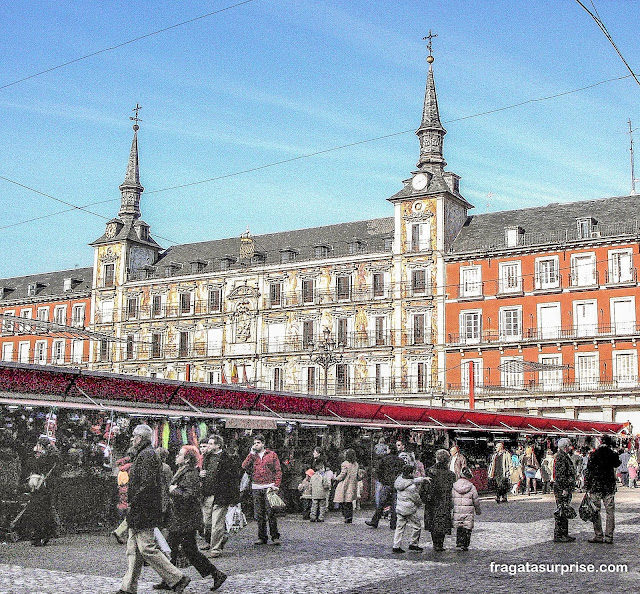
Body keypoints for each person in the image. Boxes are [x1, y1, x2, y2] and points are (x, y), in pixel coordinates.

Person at [115, 424, 190, 594]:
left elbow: (147, 486)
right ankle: (128, 588)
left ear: (140, 438)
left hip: (143, 510)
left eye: (134, 436)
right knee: (133, 550)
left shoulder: (146, 455)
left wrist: (133, 503)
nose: (132, 439)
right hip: (142, 509)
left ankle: (177, 578)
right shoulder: (145, 454)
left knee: (146, 548)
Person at [153, 445, 226, 592]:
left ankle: (215, 574)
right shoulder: (183, 471)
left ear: (187, 459)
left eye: (180, 454)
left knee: (184, 550)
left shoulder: (190, 473)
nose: (176, 456)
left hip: (186, 520)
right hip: (181, 518)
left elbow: (190, 495)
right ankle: (170, 579)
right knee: (178, 549)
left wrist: (174, 491)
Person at [200, 435, 241, 557]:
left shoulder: (227, 458)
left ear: (218, 445)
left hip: (221, 495)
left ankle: (216, 548)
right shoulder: (207, 457)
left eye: (211, 444)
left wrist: (234, 498)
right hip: (207, 494)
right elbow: (204, 472)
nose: (209, 446)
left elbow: (233, 479)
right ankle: (214, 540)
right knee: (206, 522)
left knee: (217, 523)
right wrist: (201, 474)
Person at [242, 434, 282, 545]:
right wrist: (251, 454)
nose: (256, 445)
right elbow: (244, 466)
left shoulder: (272, 455)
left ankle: (275, 536)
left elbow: (278, 471)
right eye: (254, 443)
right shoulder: (252, 456)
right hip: (256, 486)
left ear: (263, 444)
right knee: (259, 514)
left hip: (269, 486)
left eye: (258, 443)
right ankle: (262, 537)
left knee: (271, 513)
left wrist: (276, 485)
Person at [22, 435, 61, 546]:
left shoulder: (50, 457)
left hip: (44, 486)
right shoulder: (43, 457)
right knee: (40, 511)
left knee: (42, 511)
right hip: (39, 486)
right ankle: (40, 535)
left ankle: (41, 535)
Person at [584, 435, 621, 544]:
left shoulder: (595, 454)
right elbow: (617, 463)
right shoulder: (612, 453)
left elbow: (589, 470)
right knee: (610, 512)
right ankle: (609, 536)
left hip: (596, 486)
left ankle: (598, 535)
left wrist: (587, 485)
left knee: (596, 511)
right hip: (609, 486)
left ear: (600, 442)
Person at [423, 449, 456, 551]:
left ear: (436, 458)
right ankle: (440, 544)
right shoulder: (450, 474)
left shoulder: (429, 471)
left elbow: (424, 488)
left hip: (432, 501)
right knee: (442, 522)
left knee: (433, 521)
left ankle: (435, 543)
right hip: (444, 501)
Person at [365, 444, 404, 529]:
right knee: (395, 505)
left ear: (389, 450)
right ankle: (393, 523)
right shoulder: (400, 461)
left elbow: (378, 471)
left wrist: (382, 481)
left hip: (387, 484)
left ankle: (375, 521)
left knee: (381, 504)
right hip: (397, 485)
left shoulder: (384, 460)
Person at [392, 464, 428, 553]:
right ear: (410, 473)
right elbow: (416, 498)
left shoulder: (399, 481)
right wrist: (420, 504)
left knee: (399, 527)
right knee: (417, 526)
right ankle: (413, 543)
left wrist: (422, 479)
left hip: (400, 508)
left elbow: (410, 481)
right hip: (409, 509)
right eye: (414, 471)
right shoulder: (411, 487)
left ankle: (396, 545)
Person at [552, 437, 576, 543]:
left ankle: (564, 533)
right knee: (561, 511)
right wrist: (564, 488)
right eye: (569, 445)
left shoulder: (563, 456)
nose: (570, 447)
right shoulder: (561, 457)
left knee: (564, 510)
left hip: (563, 487)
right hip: (562, 488)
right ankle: (559, 534)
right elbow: (560, 474)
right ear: (565, 447)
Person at [451, 467, 481, 551]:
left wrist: (451, 508)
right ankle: (465, 544)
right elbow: (476, 500)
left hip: (457, 510)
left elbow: (451, 499)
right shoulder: (471, 487)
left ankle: (459, 542)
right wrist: (478, 510)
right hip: (468, 511)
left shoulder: (454, 486)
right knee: (467, 527)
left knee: (459, 527)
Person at [333, 448, 360, 524]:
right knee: (349, 501)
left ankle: (346, 516)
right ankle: (350, 516)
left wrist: (335, 478)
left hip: (345, 484)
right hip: (353, 484)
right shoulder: (356, 464)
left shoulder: (345, 464)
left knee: (343, 501)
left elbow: (342, 474)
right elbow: (357, 475)